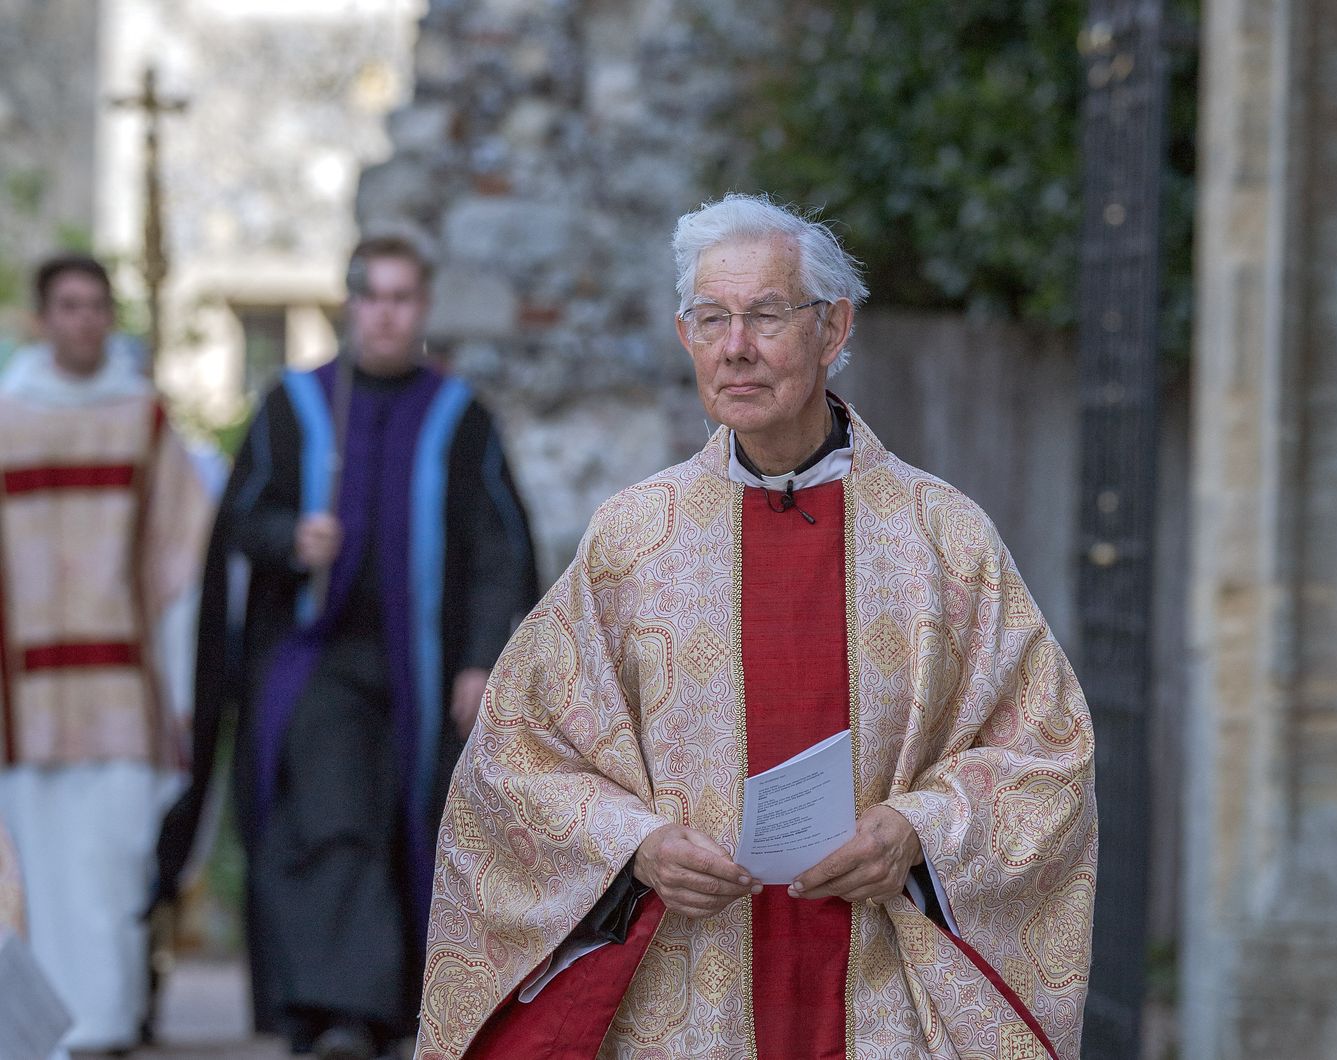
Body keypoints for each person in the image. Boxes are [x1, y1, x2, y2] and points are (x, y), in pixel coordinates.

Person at [414, 195, 1098, 1059]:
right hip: (690, 991)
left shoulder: (942, 538)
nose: (735, 346)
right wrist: (639, 845)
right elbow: (517, 754)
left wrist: (918, 832)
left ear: (833, 326)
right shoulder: (633, 540)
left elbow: (1047, 753)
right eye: (711, 319)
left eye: (766, 315)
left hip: (879, 991)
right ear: (685, 335)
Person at [155, 235, 539, 1060]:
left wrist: (481, 658)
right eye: (373, 297)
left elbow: (497, 552)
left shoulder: (459, 417)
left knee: (418, 824)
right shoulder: (295, 406)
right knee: (335, 820)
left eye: (403, 298)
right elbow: (237, 523)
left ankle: (393, 1011)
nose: (387, 313)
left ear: (422, 309)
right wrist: (293, 537)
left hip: (423, 668)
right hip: (315, 662)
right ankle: (340, 1015)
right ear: (350, 304)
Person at [0, 254, 212, 1053]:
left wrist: (185, 686)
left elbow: (180, 562)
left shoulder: (140, 419)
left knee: (113, 867)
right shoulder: (6, 417)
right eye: (67, 305)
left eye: (96, 305)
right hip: (22, 698)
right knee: (35, 873)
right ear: (41, 317)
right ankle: (35, 1032)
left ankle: (108, 1022)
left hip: (125, 690)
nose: (83, 319)